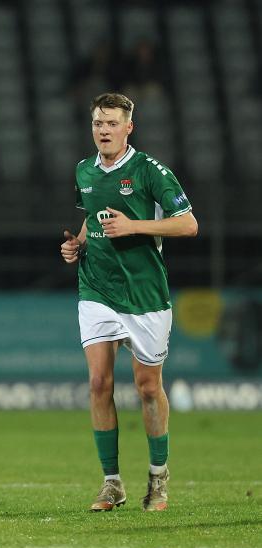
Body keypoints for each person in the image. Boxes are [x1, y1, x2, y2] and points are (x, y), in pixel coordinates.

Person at [60, 93, 198, 512]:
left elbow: (188, 224)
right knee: (99, 383)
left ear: (128, 128)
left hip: (144, 295)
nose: (103, 130)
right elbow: (93, 213)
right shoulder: (84, 170)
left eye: (111, 123)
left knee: (147, 387)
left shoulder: (150, 171)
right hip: (96, 291)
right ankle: (111, 483)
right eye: (98, 123)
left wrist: (133, 225)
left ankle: (158, 478)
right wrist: (78, 245)